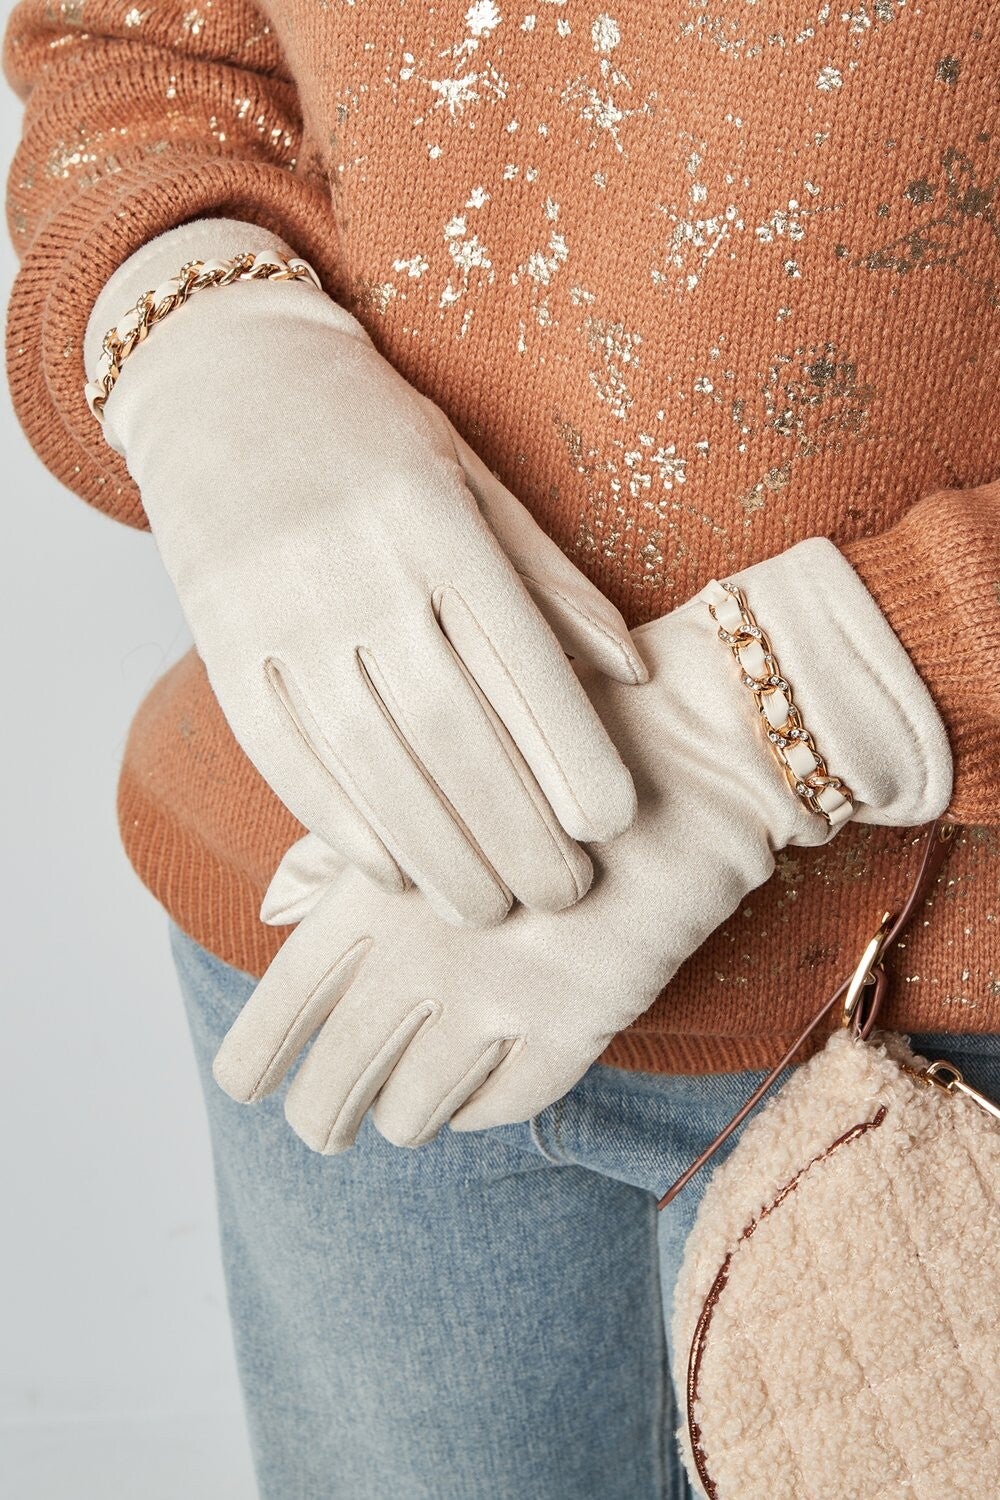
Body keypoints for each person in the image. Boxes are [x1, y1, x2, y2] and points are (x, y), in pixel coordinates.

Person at [6, 2, 998, 1495]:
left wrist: (823, 690)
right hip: (354, 939)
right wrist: (198, 326)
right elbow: (135, 47)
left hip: (949, 1019)